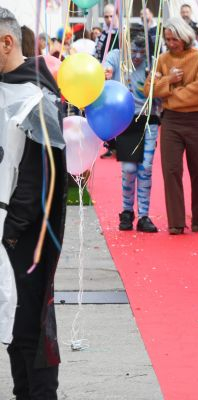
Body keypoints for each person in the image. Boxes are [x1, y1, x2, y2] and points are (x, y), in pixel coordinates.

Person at [0, 7, 66, 398]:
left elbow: (41, 176)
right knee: (9, 325)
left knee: (29, 329)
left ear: (6, 42)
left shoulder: (35, 94)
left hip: (25, 235)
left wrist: (11, 232)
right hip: (7, 226)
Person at [145, 18, 198, 235]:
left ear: (185, 37)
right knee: (171, 171)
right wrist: (169, 81)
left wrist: (168, 93)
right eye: (167, 39)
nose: (170, 43)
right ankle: (175, 223)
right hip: (171, 121)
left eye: (174, 39)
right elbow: (148, 89)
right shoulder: (162, 59)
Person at [104, 28, 160, 233]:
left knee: (145, 168)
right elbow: (106, 68)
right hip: (126, 120)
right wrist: (106, 73)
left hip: (149, 119)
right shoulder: (117, 56)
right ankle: (127, 211)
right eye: (134, 51)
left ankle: (144, 215)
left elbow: (160, 90)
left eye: (141, 53)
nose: (137, 57)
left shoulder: (154, 61)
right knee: (128, 169)